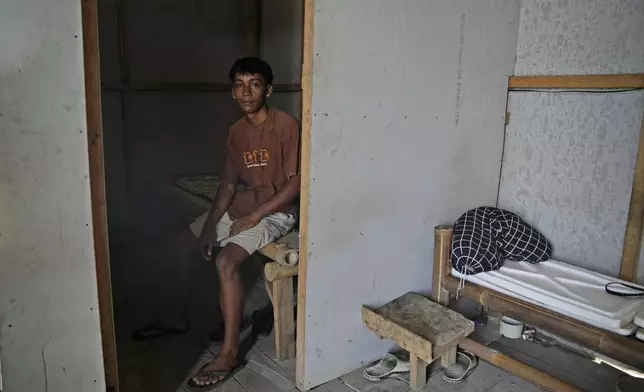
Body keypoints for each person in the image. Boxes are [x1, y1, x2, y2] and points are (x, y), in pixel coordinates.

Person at [135, 57, 301, 389]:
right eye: (239, 84)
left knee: (226, 261)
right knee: (183, 242)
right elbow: (227, 185)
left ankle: (229, 353)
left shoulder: (286, 125)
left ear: (268, 89)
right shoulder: (236, 132)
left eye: (254, 83)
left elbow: (295, 184)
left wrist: (254, 217)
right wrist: (211, 225)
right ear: (232, 92)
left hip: (279, 209)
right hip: (246, 202)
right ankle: (178, 317)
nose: (246, 91)